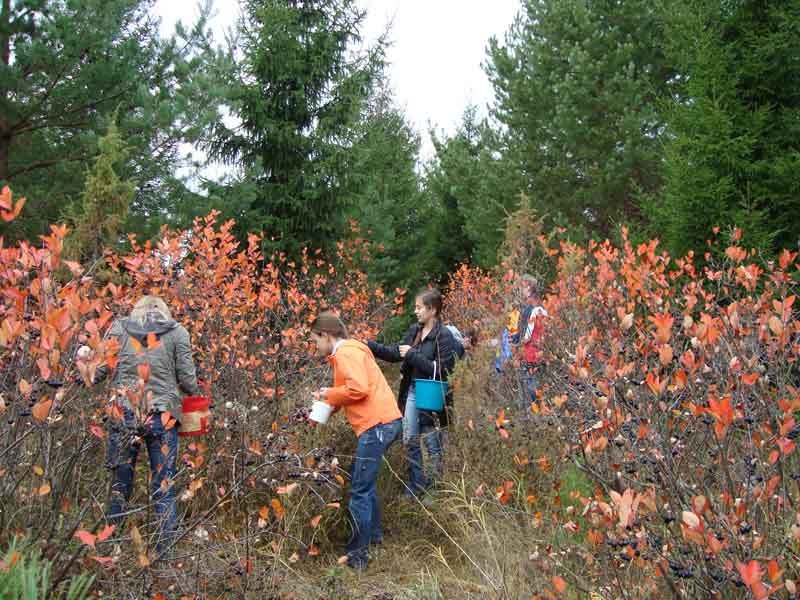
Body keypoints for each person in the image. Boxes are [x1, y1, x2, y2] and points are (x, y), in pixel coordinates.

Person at [88, 296, 201, 555]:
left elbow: (98, 372)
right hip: (162, 417)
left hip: (124, 413)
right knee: (164, 488)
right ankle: (166, 558)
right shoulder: (178, 332)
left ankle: (109, 551)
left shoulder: (119, 328)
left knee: (120, 485)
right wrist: (200, 400)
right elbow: (187, 379)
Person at [309, 312, 402, 571]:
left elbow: (358, 388)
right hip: (385, 422)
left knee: (359, 490)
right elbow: (350, 392)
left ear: (327, 336)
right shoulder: (351, 350)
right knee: (365, 483)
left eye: (315, 340)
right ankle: (373, 537)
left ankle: (357, 556)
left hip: (376, 426)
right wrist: (328, 403)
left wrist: (328, 392)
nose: (315, 346)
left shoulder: (344, 352)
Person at [368, 288, 456, 498]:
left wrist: (413, 355)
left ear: (432, 310)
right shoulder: (414, 331)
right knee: (409, 439)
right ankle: (417, 484)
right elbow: (395, 353)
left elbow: (443, 370)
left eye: (419, 307)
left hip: (433, 393)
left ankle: (435, 490)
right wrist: (370, 346)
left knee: (432, 442)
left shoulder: (443, 336)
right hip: (413, 391)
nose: (415, 311)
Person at [511, 275, 548, 412]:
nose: (521, 290)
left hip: (530, 353)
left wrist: (516, 349)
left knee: (530, 386)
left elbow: (524, 336)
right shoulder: (543, 309)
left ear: (529, 288)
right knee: (537, 385)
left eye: (523, 287)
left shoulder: (530, 310)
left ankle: (532, 412)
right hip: (540, 352)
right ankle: (536, 410)